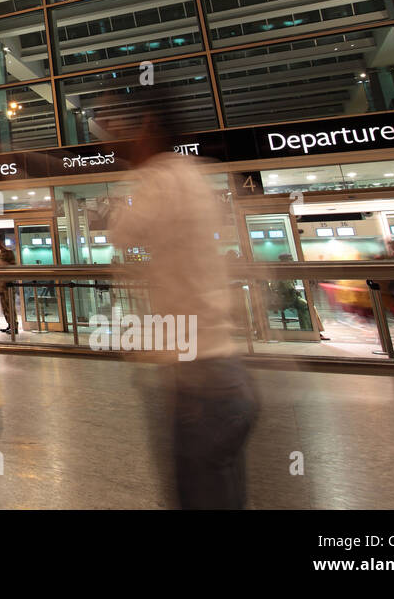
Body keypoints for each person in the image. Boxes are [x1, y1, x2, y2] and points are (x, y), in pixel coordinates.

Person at [108, 94, 259, 509]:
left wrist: (133, 171)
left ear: (146, 126)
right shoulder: (193, 172)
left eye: (115, 125)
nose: (108, 137)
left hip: (199, 381)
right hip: (224, 372)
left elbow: (121, 232)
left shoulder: (158, 178)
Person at [0, 232, 19, 335]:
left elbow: (13, 266)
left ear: (2, 241)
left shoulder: (8, 252)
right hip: (1, 283)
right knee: (4, 305)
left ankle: (14, 326)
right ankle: (9, 324)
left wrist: (3, 264)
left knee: (10, 305)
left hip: (8, 283)